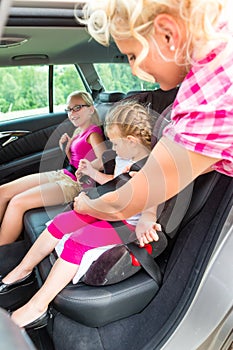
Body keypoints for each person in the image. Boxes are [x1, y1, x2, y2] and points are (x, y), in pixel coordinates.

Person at [72, 0, 233, 247]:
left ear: (168, 33)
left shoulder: (211, 97)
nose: (134, 70)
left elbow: (122, 204)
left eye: (133, 55)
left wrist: (87, 205)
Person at [0, 101, 160, 329]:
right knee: (60, 222)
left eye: (115, 143)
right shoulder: (125, 157)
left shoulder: (150, 167)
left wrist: (147, 219)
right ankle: (21, 272)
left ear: (132, 142)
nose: (112, 147)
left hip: (127, 221)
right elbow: (113, 184)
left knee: (78, 241)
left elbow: (152, 200)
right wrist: (94, 173)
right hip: (108, 208)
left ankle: (38, 307)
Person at [0, 90, 106, 245]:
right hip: (63, 174)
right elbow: (75, 162)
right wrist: (67, 150)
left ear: (91, 109)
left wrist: (86, 167)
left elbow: (104, 160)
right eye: (69, 109)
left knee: (18, 202)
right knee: (3, 191)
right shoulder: (78, 132)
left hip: (75, 184)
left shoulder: (93, 133)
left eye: (77, 107)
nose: (72, 113)